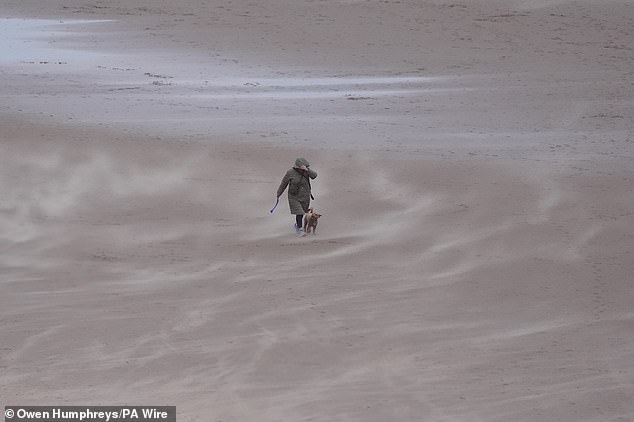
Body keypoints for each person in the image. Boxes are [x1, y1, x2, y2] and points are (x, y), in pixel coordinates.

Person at [276, 158, 318, 235]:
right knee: (299, 212)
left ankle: (297, 225)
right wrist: (279, 193)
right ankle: (300, 229)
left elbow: (314, 176)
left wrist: (307, 170)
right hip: (294, 196)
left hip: (305, 196)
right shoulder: (290, 172)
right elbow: (284, 183)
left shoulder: (307, 172)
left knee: (302, 213)